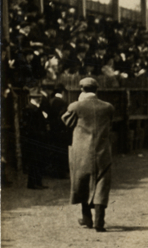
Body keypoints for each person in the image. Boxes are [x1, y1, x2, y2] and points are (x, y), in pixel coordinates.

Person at [62, 78, 115, 232]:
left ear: (81, 89)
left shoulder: (75, 106)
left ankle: (87, 218)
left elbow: (66, 122)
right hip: (102, 151)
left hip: (82, 153)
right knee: (102, 185)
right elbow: (110, 123)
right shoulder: (108, 107)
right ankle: (99, 221)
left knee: (82, 183)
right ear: (96, 90)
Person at [21, 86, 49, 189]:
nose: (40, 99)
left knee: (38, 161)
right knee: (34, 162)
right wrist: (40, 134)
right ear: (35, 98)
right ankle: (32, 184)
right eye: (39, 97)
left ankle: (38, 182)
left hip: (37, 139)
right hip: (34, 140)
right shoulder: (29, 109)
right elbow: (29, 126)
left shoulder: (36, 108)